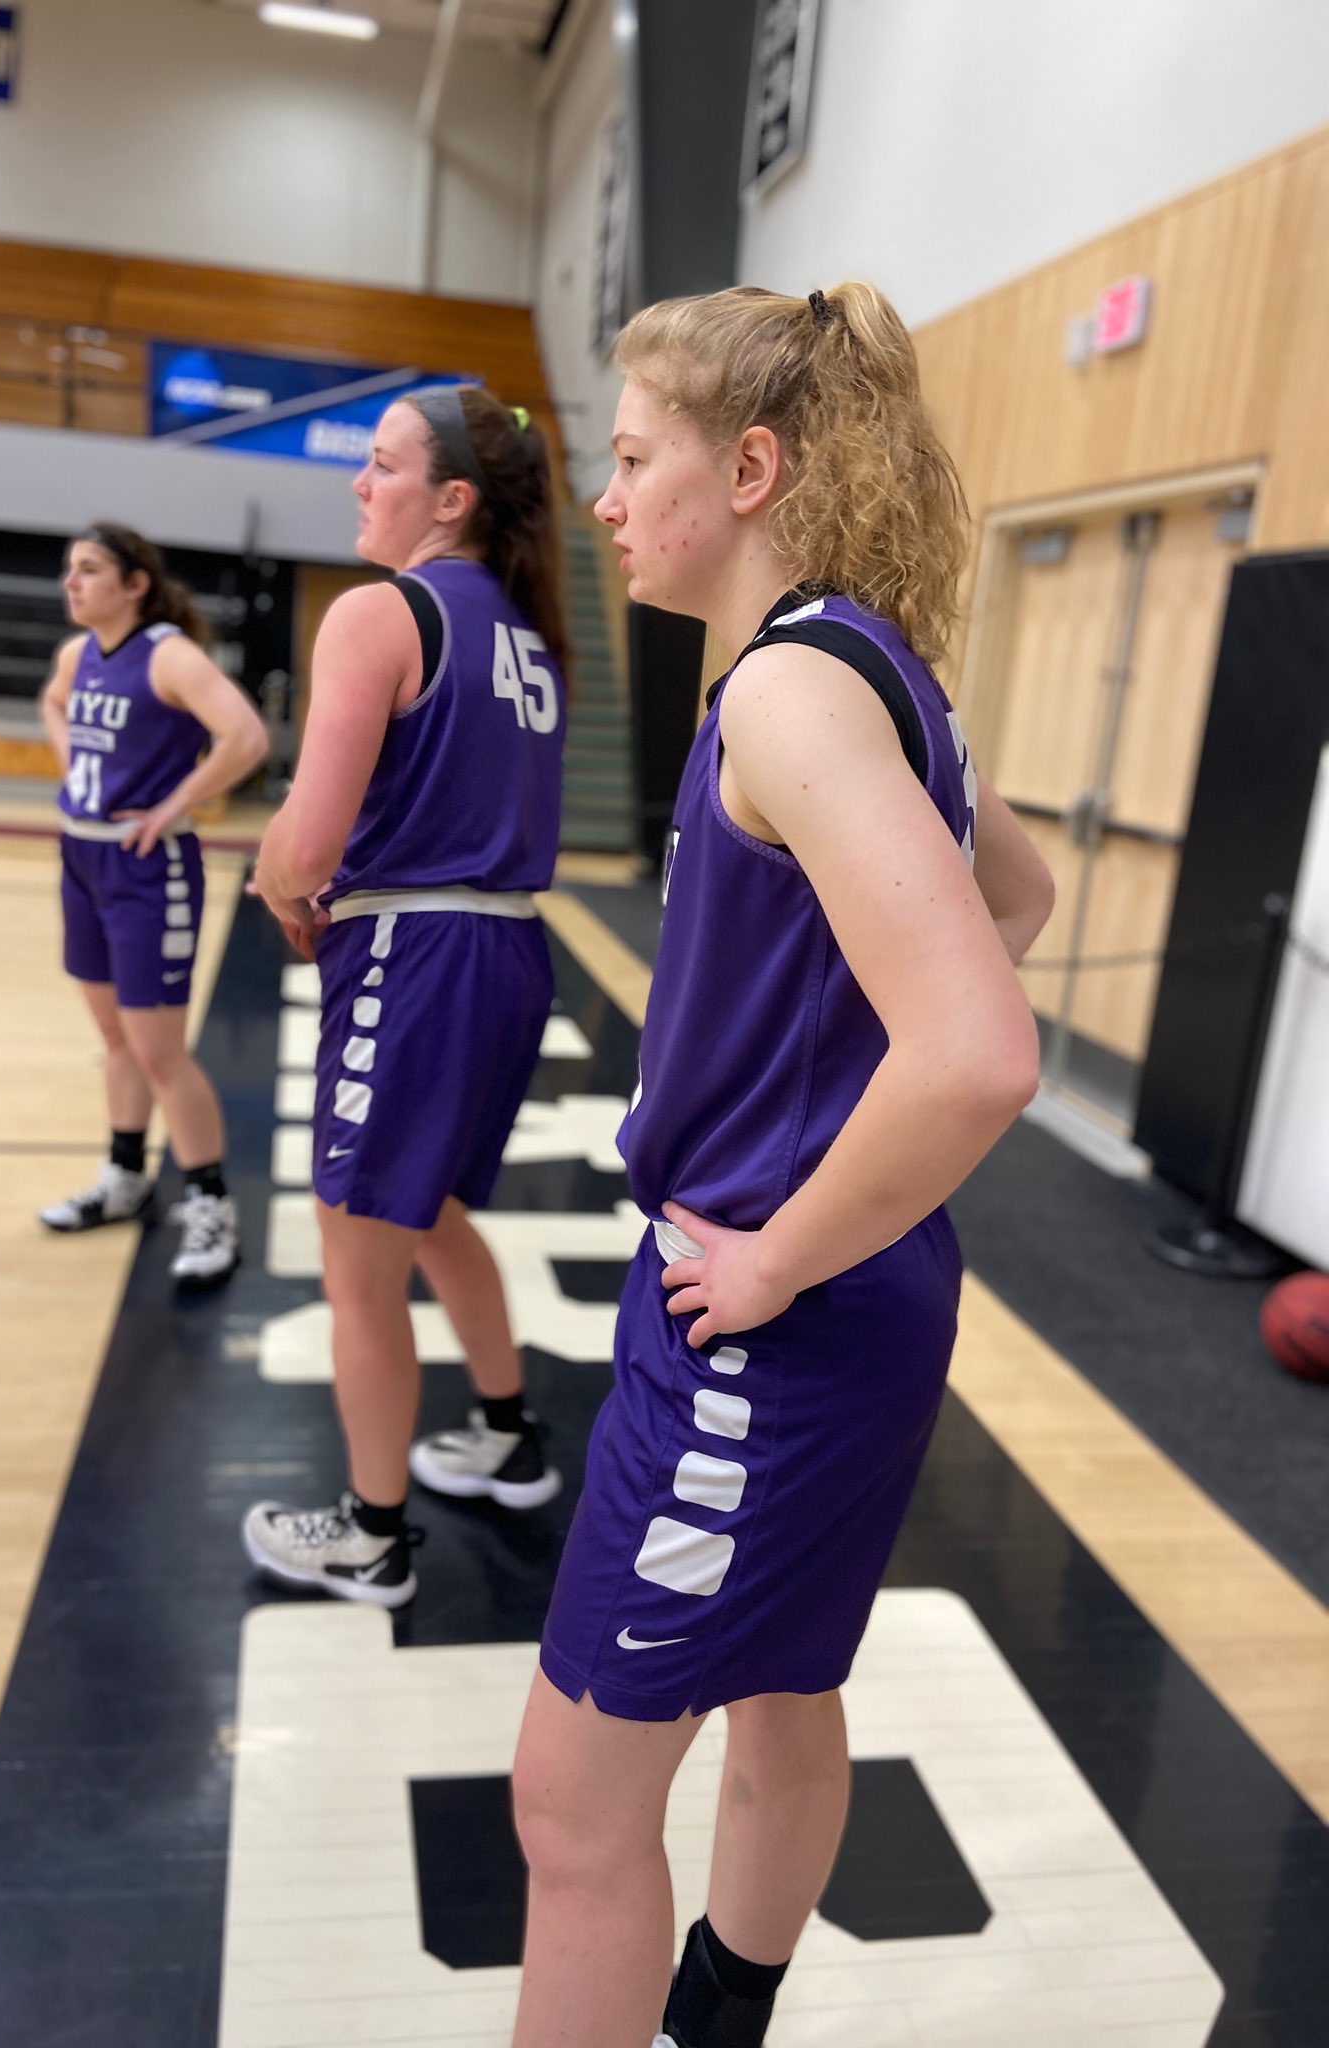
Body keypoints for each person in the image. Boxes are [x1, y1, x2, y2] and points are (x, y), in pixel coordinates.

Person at [510, 286, 1056, 2048]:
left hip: (779, 1303)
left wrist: (775, 1251)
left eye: (633, 456)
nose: (603, 497)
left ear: (748, 468)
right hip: (851, 1290)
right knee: (782, 1683)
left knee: (573, 1804)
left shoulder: (792, 697)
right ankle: (716, 2021)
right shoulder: (861, 661)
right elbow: (1017, 892)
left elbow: (977, 1047)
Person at [241, 385, 569, 1607]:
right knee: (430, 1215)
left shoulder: (381, 615)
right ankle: (507, 1432)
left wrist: (281, 880)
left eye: (378, 465)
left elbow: (303, 850)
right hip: (509, 955)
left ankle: (373, 1534)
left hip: (415, 958)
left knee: (359, 1265)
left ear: (451, 498)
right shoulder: (534, 634)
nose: (357, 484)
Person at [38, 522, 269, 1287]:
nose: (72, 582)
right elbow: (55, 702)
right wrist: (75, 764)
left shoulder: (167, 653)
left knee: (160, 1050)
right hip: (81, 853)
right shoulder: (79, 655)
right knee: (114, 1038)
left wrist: (174, 806)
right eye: (70, 570)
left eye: (90, 570)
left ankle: (211, 1208)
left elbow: (244, 736)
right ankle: (125, 1176)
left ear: (134, 584)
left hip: (148, 867)